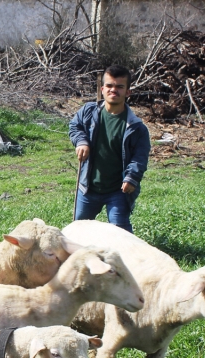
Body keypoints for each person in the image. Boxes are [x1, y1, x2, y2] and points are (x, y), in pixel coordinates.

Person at [69, 65, 151, 233]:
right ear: (102, 89)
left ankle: (127, 258)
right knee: (78, 230)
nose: (114, 90)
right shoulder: (88, 111)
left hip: (118, 190)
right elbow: (74, 126)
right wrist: (81, 141)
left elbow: (139, 157)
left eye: (120, 87)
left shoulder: (137, 128)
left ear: (128, 92)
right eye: (110, 86)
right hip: (88, 187)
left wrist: (132, 177)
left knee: (121, 232)